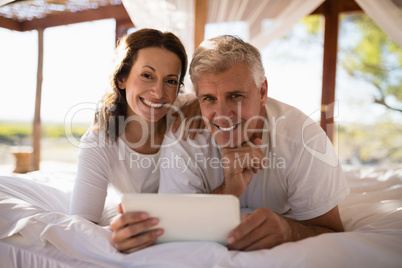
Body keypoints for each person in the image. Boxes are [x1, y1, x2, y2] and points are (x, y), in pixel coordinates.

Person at [158, 35, 350, 251]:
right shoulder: (183, 137)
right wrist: (227, 190)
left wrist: (289, 231)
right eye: (209, 98)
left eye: (236, 96)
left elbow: (332, 230)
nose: (221, 115)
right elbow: (175, 225)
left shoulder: (304, 139)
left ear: (262, 92)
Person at [69, 28, 195, 253]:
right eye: (147, 75)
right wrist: (113, 236)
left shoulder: (186, 110)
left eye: (170, 81)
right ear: (122, 78)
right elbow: (81, 223)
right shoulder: (99, 141)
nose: (158, 92)